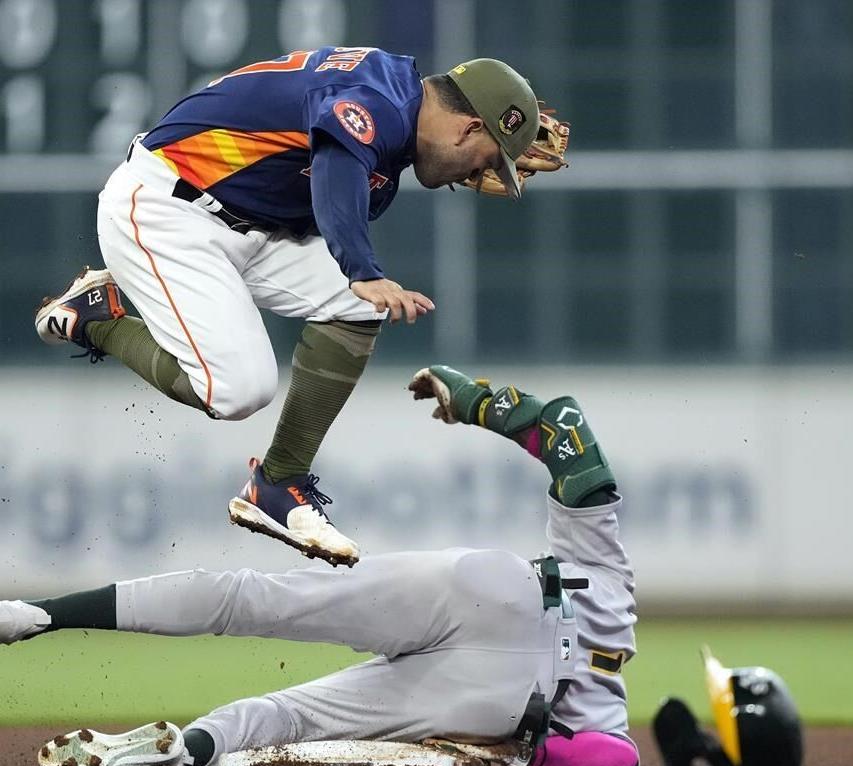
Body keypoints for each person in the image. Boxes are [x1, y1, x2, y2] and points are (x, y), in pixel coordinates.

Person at [34, 48, 543, 568]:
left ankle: (277, 485)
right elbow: (336, 165)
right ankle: (96, 318)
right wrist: (361, 269)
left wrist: (507, 132)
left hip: (254, 223)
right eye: (488, 155)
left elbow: (342, 166)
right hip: (168, 205)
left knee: (358, 308)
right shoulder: (378, 103)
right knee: (238, 391)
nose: (486, 172)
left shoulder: (400, 103)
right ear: (467, 127)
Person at [1, 366, 637, 766]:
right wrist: (538, 749)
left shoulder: (614, 585)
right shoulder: (606, 709)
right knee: (293, 717)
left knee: (250, 599)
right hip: (499, 701)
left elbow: (564, 429)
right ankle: (191, 748)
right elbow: (612, 759)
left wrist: (474, 401)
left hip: (498, 594)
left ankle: (37, 616)